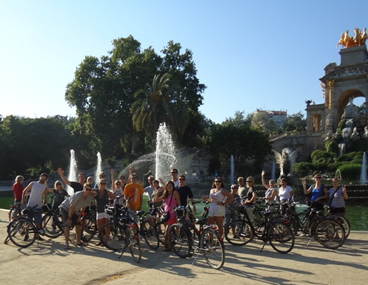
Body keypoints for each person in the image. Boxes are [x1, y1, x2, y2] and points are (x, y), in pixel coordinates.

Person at [59, 183, 95, 249]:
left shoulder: (89, 197)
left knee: (79, 224)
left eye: (89, 190)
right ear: (83, 189)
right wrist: (69, 218)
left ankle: (78, 241)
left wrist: (79, 217)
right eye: (86, 189)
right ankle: (66, 243)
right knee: (67, 224)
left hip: (75, 210)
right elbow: (71, 207)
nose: (88, 191)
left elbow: (84, 208)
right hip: (66, 207)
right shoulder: (78, 195)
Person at [21, 173, 49, 239]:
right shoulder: (33, 183)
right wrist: (23, 199)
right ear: (40, 177)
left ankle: (37, 235)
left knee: (38, 222)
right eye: (42, 177)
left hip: (38, 206)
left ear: (46, 179)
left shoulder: (45, 187)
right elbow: (24, 190)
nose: (43, 179)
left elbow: (45, 196)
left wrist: (44, 204)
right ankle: (26, 234)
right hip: (30, 205)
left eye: (44, 178)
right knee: (28, 221)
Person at [156, 180, 181, 252]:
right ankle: (167, 245)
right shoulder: (166, 194)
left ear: (173, 187)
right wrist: (158, 191)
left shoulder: (175, 193)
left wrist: (179, 215)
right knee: (166, 233)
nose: (169, 187)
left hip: (172, 215)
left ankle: (169, 246)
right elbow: (156, 200)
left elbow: (179, 203)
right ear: (166, 187)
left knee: (167, 232)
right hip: (166, 215)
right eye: (168, 186)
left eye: (171, 186)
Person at [92, 179, 116, 245]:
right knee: (99, 227)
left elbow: (115, 197)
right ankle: (101, 240)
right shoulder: (95, 191)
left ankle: (106, 240)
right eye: (102, 183)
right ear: (99, 184)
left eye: (104, 183)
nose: (103, 185)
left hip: (106, 212)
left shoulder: (107, 192)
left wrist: (111, 203)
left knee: (107, 226)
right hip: (99, 211)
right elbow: (87, 191)